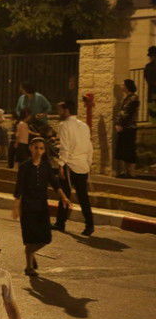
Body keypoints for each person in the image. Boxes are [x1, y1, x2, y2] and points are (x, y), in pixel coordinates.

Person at [13, 137, 70, 277]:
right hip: (27, 206)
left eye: (41, 148)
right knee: (30, 238)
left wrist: (64, 197)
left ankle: (30, 253)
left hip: (41, 206)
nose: (39, 151)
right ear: (31, 148)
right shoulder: (24, 166)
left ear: (44, 151)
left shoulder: (46, 166)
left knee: (46, 237)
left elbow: (55, 183)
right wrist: (16, 207)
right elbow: (19, 187)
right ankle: (28, 267)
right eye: (36, 147)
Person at [55, 100, 95, 236]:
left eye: (59, 110)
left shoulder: (64, 125)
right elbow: (90, 146)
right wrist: (88, 163)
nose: (58, 112)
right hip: (83, 164)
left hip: (70, 165)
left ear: (66, 110)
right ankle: (89, 225)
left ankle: (60, 223)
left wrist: (61, 164)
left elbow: (65, 147)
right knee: (83, 196)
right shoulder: (84, 126)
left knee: (65, 194)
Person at [114, 78, 140, 178]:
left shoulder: (133, 98)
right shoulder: (128, 98)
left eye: (122, 84)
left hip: (129, 127)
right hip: (126, 127)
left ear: (127, 86)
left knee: (129, 149)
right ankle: (127, 172)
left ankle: (131, 172)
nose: (121, 86)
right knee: (124, 149)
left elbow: (127, 113)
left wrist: (120, 124)